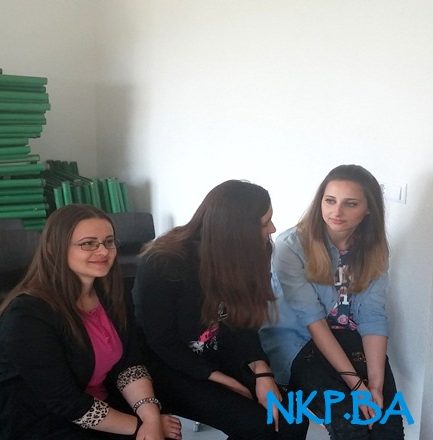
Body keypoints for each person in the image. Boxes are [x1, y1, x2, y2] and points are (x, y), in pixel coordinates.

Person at [0, 204, 183, 440]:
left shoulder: (111, 295)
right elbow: (65, 402)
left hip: (96, 407)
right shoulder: (27, 315)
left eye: (109, 241)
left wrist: (151, 417)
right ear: (54, 249)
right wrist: (140, 426)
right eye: (88, 243)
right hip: (41, 422)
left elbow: (128, 365)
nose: (103, 251)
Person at [132, 180, 309, 440]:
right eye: (264, 223)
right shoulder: (163, 263)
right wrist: (223, 381)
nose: (272, 228)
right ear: (236, 230)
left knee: (292, 416)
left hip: (217, 354)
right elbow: (162, 343)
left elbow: (244, 324)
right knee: (258, 424)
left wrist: (263, 373)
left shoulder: (245, 254)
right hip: (168, 366)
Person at [260, 165, 404, 438]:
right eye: (330, 201)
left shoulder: (374, 249)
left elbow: (373, 316)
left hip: (349, 338)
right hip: (300, 341)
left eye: (350, 204)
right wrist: (357, 387)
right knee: (351, 423)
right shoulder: (291, 246)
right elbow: (313, 320)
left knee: (388, 422)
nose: (336, 211)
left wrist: (374, 385)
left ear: (369, 209)